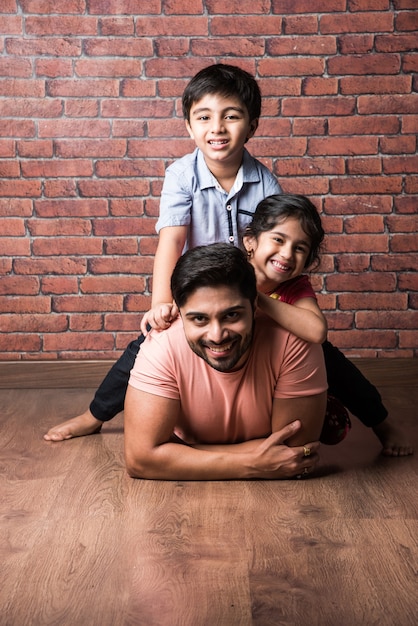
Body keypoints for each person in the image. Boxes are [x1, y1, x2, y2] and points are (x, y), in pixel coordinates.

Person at [44, 63, 282, 443]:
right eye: (203, 117)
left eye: (231, 116)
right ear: (189, 126)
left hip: (246, 290)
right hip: (196, 290)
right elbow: (171, 241)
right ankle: (95, 414)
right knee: (143, 347)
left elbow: (272, 248)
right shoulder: (181, 175)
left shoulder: (266, 182)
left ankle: (379, 419)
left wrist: (264, 299)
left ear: (252, 126)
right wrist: (161, 303)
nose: (216, 128)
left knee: (315, 345)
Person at [124, 243, 328, 481]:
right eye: (199, 319)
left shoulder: (293, 342)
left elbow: (292, 453)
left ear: (254, 306)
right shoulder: (162, 344)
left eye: (231, 315)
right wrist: (252, 463)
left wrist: (175, 454)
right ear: (179, 313)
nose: (217, 335)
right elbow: (140, 459)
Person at [242, 194, 413, 456]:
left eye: (300, 248)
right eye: (278, 239)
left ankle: (383, 424)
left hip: (286, 364)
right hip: (243, 363)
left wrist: (260, 300)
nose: (287, 254)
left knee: (328, 357)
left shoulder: (294, 286)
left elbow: (316, 331)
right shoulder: (231, 271)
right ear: (250, 241)